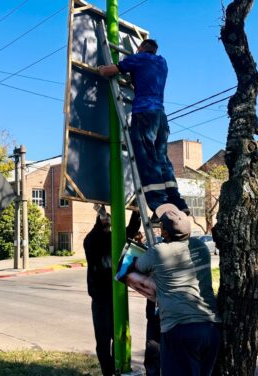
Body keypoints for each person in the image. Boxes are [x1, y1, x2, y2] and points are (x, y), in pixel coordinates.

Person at [99, 39, 188, 216]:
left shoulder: (138, 58)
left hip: (144, 113)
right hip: (161, 116)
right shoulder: (162, 62)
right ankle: (176, 201)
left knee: (146, 157)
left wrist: (100, 69)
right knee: (161, 158)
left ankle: (159, 203)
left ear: (141, 49)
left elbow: (109, 71)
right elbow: (145, 78)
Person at [134, 203, 221, 376]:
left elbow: (138, 265)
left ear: (165, 232)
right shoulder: (201, 247)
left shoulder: (159, 251)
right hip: (210, 328)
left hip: (179, 330)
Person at [83, 206, 141, 376]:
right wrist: (101, 221)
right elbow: (95, 238)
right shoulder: (92, 240)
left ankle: (118, 369)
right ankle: (108, 372)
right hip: (100, 298)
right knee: (102, 342)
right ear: (99, 224)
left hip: (116, 295)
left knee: (118, 336)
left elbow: (130, 230)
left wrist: (136, 212)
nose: (108, 223)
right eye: (105, 221)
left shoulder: (114, 238)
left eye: (109, 221)